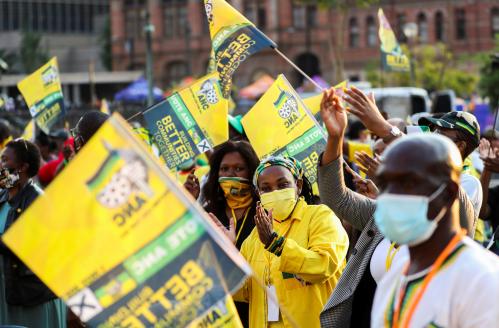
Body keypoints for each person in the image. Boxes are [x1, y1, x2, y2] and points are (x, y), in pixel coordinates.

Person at [317, 87, 476, 328]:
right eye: (390, 182)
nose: (394, 193)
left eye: (407, 181)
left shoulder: (461, 200)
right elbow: (335, 197)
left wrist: (385, 129)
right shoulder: (387, 218)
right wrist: (335, 138)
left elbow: (436, 166)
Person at [371, 133, 499, 327]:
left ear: (448, 193)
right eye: (385, 184)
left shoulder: (483, 279)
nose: (391, 196)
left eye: (407, 183)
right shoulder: (397, 271)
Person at [218, 155, 349, 328]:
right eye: (266, 188)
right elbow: (243, 291)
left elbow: (324, 265)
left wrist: (276, 244)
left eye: (283, 185)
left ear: (298, 185)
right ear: (258, 193)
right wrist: (226, 254)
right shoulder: (255, 236)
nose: (275, 192)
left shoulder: (320, 217)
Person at [185, 140, 259, 327]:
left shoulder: (264, 211)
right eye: (224, 169)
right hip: (218, 306)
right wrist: (190, 204)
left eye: (238, 168)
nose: (230, 175)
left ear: (251, 172)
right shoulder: (210, 211)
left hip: (256, 305)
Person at [0, 139, 66, 327]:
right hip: (6, 295)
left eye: (5, 160)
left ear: (22, 167)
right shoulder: (2, 196)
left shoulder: (38, 201)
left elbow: (20, 243)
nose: (0, 165)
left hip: (30, 298)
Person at [419, 112, 483, 221]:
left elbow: (438, 217)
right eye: (433, 132)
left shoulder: (469, 182)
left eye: (440, 134)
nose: (433, 137)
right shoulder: (426, 172)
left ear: (460, 146)